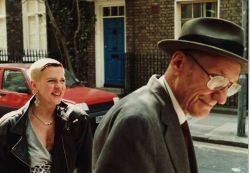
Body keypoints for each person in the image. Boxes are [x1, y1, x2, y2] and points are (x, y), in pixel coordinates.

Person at [92, 17, 248, 173]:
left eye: (229, 86)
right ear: (178, 63)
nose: (221, 99)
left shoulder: (167, 112)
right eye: (217, 80)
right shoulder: (138, 122)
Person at [0, 58, 92, 173]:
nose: (59, 87)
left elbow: (86, 167)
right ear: (34, 86)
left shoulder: (77, 119)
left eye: (62, 80)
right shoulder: (9, 125)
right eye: (51, 81)